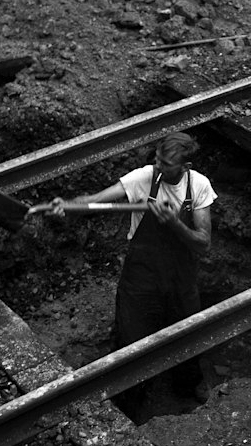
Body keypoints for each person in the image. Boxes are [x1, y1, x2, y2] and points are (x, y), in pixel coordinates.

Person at [51, 132, 217, 406]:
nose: (157, 166)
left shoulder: (199, 185)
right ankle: (129, 401)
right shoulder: (144, 178)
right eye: (157, 159)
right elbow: (97, 200)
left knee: (187, 334)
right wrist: (67, 206)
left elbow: (203, 243)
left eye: (166, 164)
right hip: (141, 277)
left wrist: (175, 223)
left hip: (180, 279)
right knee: (131, 340)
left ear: (185, 167)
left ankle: (187, 388)